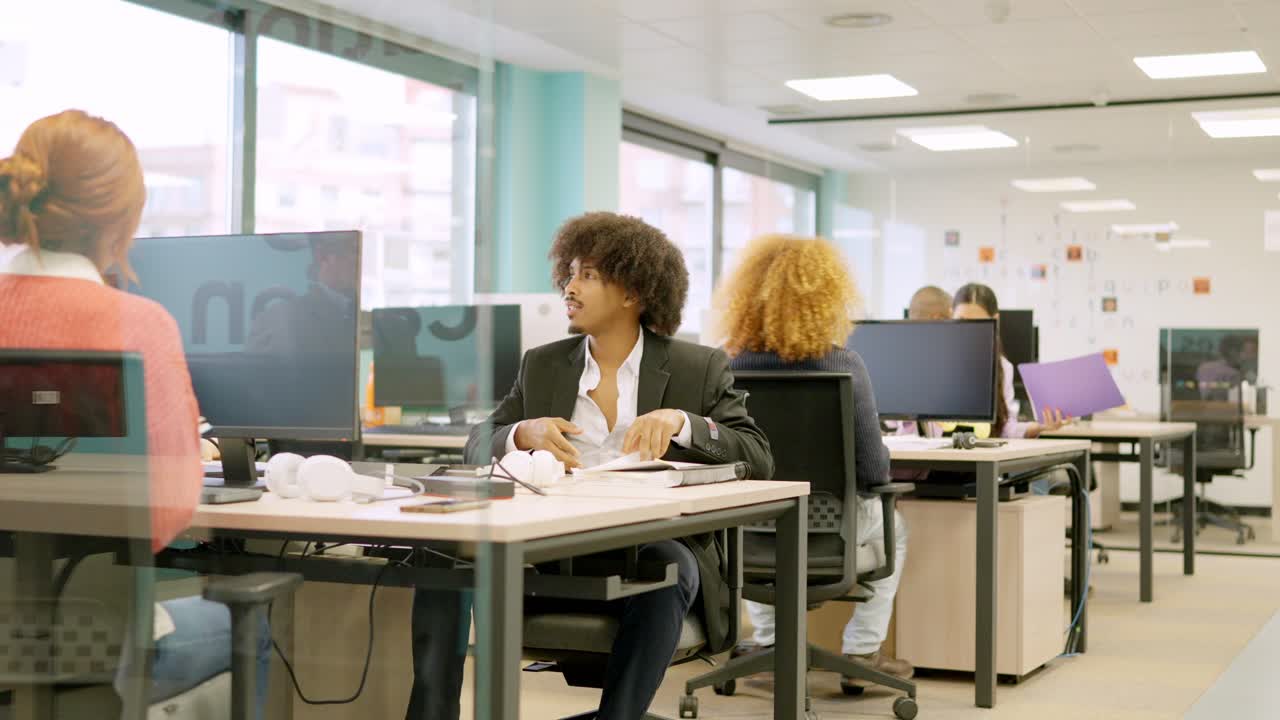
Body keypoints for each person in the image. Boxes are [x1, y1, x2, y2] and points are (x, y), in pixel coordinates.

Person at [408, 211, 773, 720]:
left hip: (646, 541)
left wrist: (682, 422)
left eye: (588, 276)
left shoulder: (698, 366)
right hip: (554, 544)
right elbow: (476, 444)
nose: (569, 287)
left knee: (669, 563)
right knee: (442, 551)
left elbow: (757, 455)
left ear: (632, 293)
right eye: (570, 274)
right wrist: (521, 433)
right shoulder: (544, 362)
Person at [0, 110, 270, 714]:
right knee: (255, 620)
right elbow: (169, 509)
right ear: (122, 224)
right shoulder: (137, 325)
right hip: (98, 636)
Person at [709, 233, 913, 683]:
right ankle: (862, 651)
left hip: (749, 530)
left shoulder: (725, 365)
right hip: (831, 530)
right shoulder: (845, 365)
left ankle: (767, 641)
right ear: (829, 297)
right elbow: (873, 471)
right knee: (896, 526)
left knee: (757, 520)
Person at [952, 283, 1070, 439]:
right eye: (961, 321)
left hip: (982, 455)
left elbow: (1005, 430)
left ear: (995, 320)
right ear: (950, 316)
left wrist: (1041, 426)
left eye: (978, 323)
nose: (968, 330)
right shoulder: (936, 361)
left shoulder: (1002, 367)